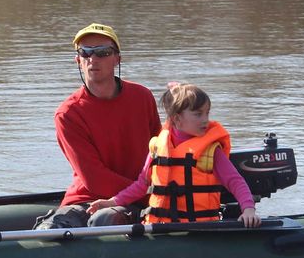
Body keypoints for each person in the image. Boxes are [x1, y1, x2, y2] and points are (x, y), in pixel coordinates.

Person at [34, 23, 162, 230]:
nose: (93, 59)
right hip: (86, 200)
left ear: (117, 58)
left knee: (106, 219)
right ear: (78, 60)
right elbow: (95, 179)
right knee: (48, 231)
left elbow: (161, 150)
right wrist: (146, 190)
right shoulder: (68, 113)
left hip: (134, 200)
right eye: (85, 53)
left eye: (102, 52)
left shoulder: (142, 97)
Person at [88, 83, 262, 227]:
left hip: (200, 227)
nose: (205, 120)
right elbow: (142, 185)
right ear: (177, 119)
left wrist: (248, 209)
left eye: (207, 113)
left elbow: (235, 181)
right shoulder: (158, 147)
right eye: (198, 114)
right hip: (160, 226)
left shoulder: (211, 150)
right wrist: (112, 202)